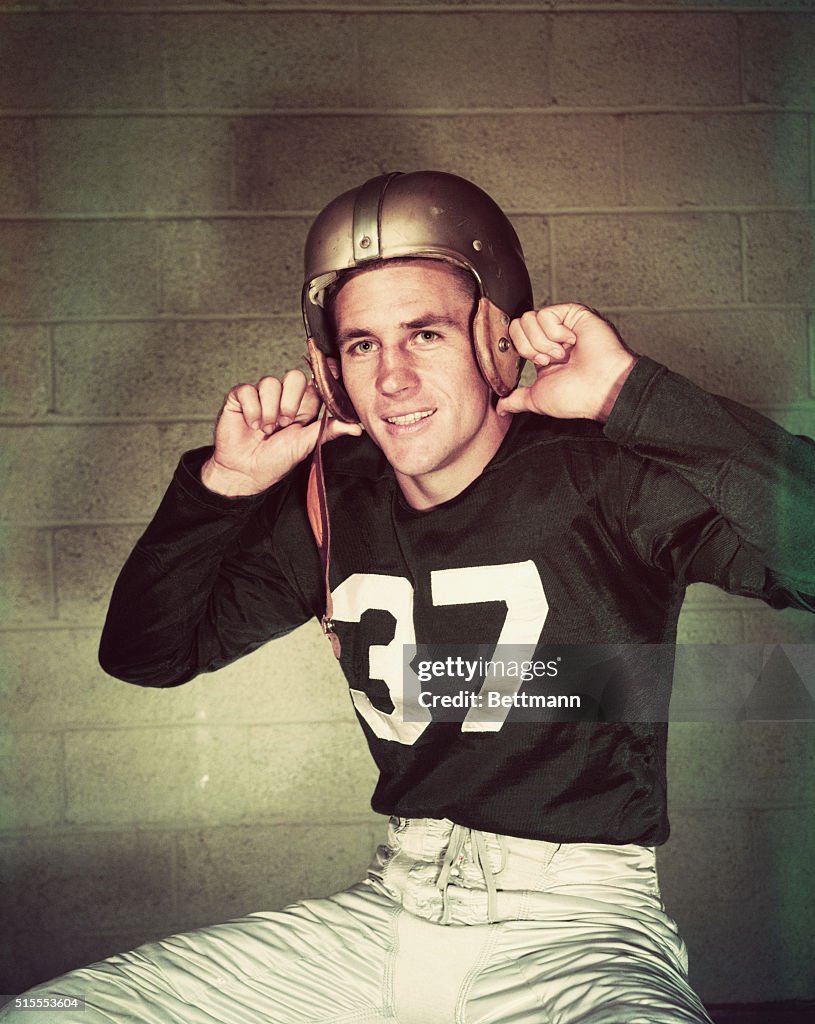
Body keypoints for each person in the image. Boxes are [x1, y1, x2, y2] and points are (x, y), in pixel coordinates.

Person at [4, 171, 814, 1024]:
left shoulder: (602, 478)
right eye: (361, 345)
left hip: (578, 932)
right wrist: (223, 487)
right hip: (386, 909)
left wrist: (632, 396)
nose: (390, 378)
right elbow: (146, 654)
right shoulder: (330, 501)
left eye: (424, 333)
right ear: (330, 365)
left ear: (497, 340)